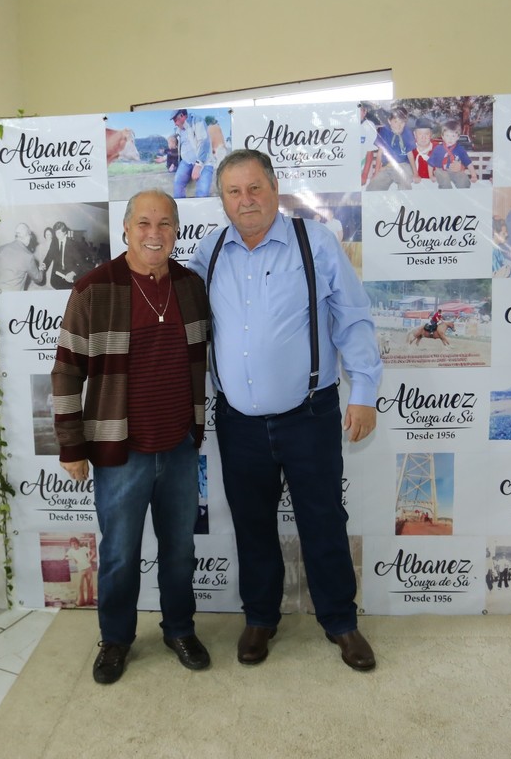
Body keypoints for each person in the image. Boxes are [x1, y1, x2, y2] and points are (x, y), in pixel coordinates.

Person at [188, 149, 383, 672]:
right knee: (251, 525)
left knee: (324, 520)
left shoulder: (315, 242)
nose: (246, 200)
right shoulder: (209, 253)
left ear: (275, 189)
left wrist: (364, 390)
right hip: (238, 423)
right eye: (234, 191)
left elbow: (353, 318)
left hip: (310, 416)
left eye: (255, 188)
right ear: (222, 200)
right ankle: (260, 618)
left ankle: (340, 621)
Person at [52, 189, 212, 684]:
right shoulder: (94, 289)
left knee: (180, 551)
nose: (154, 233)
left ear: (177, 230)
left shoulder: (190, 286)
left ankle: (179, 629)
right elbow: (66, 372)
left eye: (165, 224)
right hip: (119, 453)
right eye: (144, 223)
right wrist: (72, 446)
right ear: (125, 229)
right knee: (120, 555)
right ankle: (116, 639)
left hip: (180, 447)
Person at [366, 106, 416, 191]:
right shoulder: (384, 131)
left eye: (402, 122)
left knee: (405, 180)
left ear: (405, 122)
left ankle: (404, 199)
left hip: (403, 165)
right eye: (395, 122)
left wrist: (416, 173)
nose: (399, 125)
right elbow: (380, 153)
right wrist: (376, 172)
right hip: (387, 167)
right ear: (389, 121)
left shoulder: (407, 133)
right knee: (373, 186)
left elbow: (410, 154)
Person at [0, 222, 46, 292]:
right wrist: (41, 270)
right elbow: (38, 279)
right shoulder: (28, 256)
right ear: (27, 236)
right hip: (13, 294)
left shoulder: (1, 248)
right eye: (30, 236)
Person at [171, 109, 213, 198]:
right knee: (177, 182)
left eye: (175, 120)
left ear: (182, 116)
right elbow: (175, 145)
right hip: (186, 162)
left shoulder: (197, 121)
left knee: (202, 191)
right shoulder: (178, 130)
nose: (175, 123)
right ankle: (179, 205)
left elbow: (204, 142)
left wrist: (198, 165)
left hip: (204, 162)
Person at [427, 120, 478, 188]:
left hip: (454, 171)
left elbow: (468, 163)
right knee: (445, 180)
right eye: (447, 135)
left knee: (463, 180)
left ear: (458, 137)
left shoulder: (460, 149)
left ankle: (462, 193)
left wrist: (473, 175)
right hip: (441, 170)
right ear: (442, 136)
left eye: (453, 136)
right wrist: (431, 176)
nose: (450, 139)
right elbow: (430, 163)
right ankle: (447, 194)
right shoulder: (438, 149)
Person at [43, 221, 94, 289]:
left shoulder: (73, 244)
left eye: (59, 232)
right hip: (56, 276)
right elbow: (49, 256)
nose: (57, 235)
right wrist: (44, 264)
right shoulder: (54, 242)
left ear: (64, 232)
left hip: (70, 276)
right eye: (55, 233)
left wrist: (73, 273)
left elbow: (81, 263)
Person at [66, 536, 96, 607]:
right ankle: (80, 602)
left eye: (75, 543)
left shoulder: (84, 548)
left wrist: (89, 559)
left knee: (90, 585)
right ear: (70, 545)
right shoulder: (71, 551)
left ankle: (90, 601)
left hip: (88, 568)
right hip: (80, 570)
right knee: (80, 586)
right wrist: (73, 558)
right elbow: (66, 557)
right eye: (72, 544)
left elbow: (93, 553)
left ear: (78, 543)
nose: (74, 545)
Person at [409, 117, 437, 184]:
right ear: (415, 134)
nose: (423, 137)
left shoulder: (439, 149)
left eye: (426, 134)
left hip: (434, 186)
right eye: (420, 134)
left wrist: (460, 167)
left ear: (431, 134)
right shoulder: (408, 150)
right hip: (414, 187)